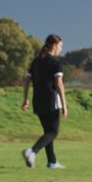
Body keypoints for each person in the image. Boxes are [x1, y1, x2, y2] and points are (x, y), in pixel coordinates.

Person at [22, 34, 68, 169]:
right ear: (54, 46)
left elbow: (26, 81)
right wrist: (64, 104)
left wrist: (25, 99)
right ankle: (32, 151)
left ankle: (52, 162)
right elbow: (59, 84)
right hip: (51, 100)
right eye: (60, 46)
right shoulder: (55, 62)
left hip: (37, 100)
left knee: (47, 131)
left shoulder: (36, 61)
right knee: (53, 132)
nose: (60, 49)